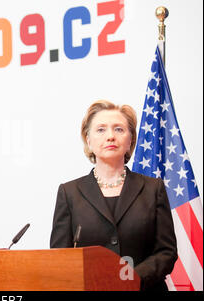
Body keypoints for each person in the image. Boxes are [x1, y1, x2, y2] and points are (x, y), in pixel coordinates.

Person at [50, 100, 177, 291]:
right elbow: (59, 258)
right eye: (101, 130)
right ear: (89, 141)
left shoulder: (153, 188)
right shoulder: (69, 193)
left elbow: (166, 252)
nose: (110, 136)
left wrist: (129, 279)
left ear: (130, 141)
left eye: (118, 129)